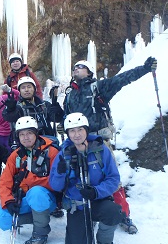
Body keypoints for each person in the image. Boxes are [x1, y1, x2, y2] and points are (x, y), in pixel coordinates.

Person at [62, 56, 157, 234]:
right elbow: (65, 118)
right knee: (77, 176)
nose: (76, 69)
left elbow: (122, 79)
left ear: (89, 71)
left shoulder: (99, 87)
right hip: (76, 142)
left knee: (112, 178)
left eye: (80, 66)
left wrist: (144, 69)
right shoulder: (70, 95)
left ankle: (123, 214)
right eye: (74, 67)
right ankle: (84, 210)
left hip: (99, 141)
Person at [50, 113, 125, 244]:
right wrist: (60, 173)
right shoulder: (63, 155)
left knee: (113, 212)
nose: (76, 134)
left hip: (98, 200)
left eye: (80, 130)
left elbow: (113, 178)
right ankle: (84, 227)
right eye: (72, 131)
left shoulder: (101, 150)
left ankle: (104, 241)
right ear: (67, 134)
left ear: (86, 130)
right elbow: (55, 186)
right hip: (77, 205)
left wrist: (96, 191)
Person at [0, 116, 59, 244]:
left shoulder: (51, 152)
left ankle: (40, 232)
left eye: (29, 133)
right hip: (25, 197)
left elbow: (58, 181)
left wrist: (32, 182)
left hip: (46, 198)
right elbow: (5, 181)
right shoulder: (16, 155)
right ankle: (39, 217)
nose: (26, 137)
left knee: (36, 193)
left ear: (36, 133)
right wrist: (8, 201)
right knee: (1, 217)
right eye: (22, 134)